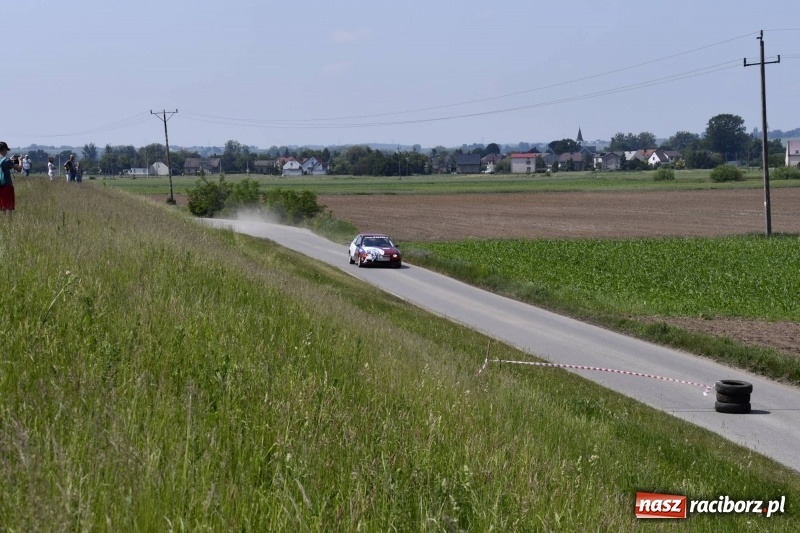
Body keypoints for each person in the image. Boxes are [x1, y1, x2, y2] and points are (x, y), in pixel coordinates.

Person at [0, 142, 23, 216]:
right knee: (8, 206)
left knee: (1, 206)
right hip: (7, 185)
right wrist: (20, 160)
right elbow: (19, 169)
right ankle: (8, 223)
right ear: (4, 149)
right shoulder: (6, 161)